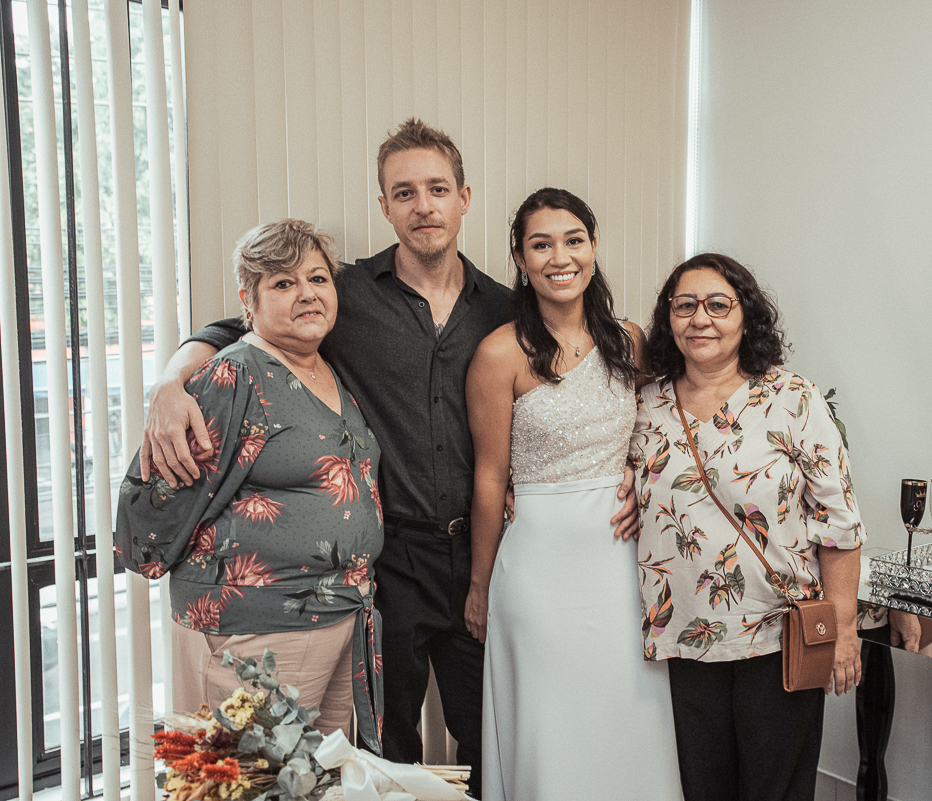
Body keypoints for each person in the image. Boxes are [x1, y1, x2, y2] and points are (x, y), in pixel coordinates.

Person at [138, 120, 645, 795]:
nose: (423, 205)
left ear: (464, 197)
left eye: (437, 189)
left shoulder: (504, 310)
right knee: (385, 740)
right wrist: (171, 381)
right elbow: (247, 325)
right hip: (392, 557)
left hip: (487, 554)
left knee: (490, 725)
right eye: (404, 192)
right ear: (384, 206)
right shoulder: (346, 293)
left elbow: (570, 400)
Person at [116, 220, 384, 747]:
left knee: (321, 780)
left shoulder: (328, 370)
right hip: (255, 633)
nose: (306, 293)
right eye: (283, 283)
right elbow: (153, 504)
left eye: (317, 279)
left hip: (337, 618)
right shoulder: (232, 375)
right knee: (250, 780)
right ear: (248, 298)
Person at [465, 188, 683, 801]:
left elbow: (661, 428)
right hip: (538, 563)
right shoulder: (499, 353)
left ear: (592, 248)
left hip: (621, 562)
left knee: (627, 714)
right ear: (520, 257)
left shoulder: (630, 340)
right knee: (551, 723)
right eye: (541, 244)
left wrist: (643, 480)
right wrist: (480, 586)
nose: (559, 257)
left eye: (573, 240)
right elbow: (488, 479)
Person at [629, 253, 865, 801]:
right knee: (702, 789)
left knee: (772, 790)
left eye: (718, 304)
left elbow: (839, 523)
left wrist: (845, 630)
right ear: (668, 318)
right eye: (684, 305)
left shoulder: (792, 398)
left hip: (777, 635)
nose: (700, 318)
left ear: (746, 316)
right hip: (685, 634)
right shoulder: (646, 404)